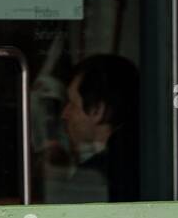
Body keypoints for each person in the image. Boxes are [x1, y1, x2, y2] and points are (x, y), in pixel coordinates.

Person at [56, 53, 140, 203]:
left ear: (97, 110)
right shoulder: (147, 161)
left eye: (72, 104)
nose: (65, 113)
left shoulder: (92, 178)